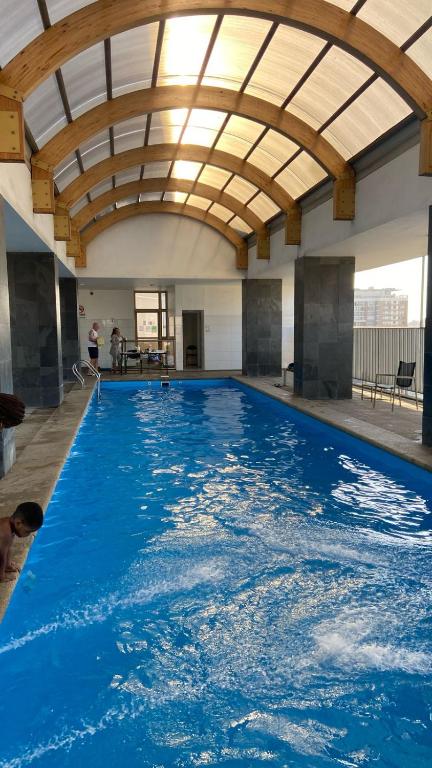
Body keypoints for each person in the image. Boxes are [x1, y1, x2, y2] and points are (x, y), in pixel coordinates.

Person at [0, 502, 43, 582]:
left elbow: (8, 547)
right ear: (18, 523)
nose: (28, 535)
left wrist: (8, 565)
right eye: (27, 531)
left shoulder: (10, 525)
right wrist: (1, 576)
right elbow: (1, 557)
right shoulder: (5, 534)